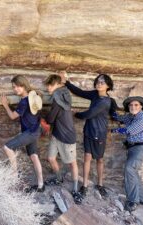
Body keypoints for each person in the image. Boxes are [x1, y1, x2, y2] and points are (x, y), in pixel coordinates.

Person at [59, 71, 116, 199]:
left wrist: (76, 114)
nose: (99, 84)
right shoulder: (95, 94)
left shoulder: (106, 101)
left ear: (108, 86)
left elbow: (89, 114)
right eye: (98, 81)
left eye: (102, 82)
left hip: (99, 133)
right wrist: (66, 83)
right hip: (89, 131)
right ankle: (84, 186)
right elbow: (80, 92)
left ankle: (100, 184)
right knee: (87, 158)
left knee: (100, 159)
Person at [1, 75, 45, 193]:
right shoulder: (33, 98)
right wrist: (11, 106)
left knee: (7, 147)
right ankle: (41, 185)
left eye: (17, 87)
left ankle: (14, 176)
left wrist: (5, 105)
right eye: (14, 87)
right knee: (34, 156)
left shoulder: (24, 102)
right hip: (36, 130)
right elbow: (23, 113)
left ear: (24, 86)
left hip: (30, 132)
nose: (15, 89)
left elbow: (12, 116)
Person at [42, 75, 81, 204]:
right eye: (47, 85)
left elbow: (50, 119)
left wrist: (40, 114)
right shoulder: (62, 95)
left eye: (50, 85)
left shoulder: (59, 98)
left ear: (58, 84)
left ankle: (75, 189)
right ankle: (59, 178)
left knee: (72, 163)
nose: (48, 87)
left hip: (67, 136)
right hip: (57, 134)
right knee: (51, 158)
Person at [111, 96, 143, 212]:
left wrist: (111, 131)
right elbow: (118, 118)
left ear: (141, 107)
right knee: (133, 171)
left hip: (140, 147)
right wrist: (111, 107)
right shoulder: (130, 116)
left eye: (136, 105)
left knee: (129, 168)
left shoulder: (141, 118)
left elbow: (127, 130)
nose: (133, 107)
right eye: (131, 105)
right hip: (132, 148)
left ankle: (133, 201)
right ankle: (142, 198)